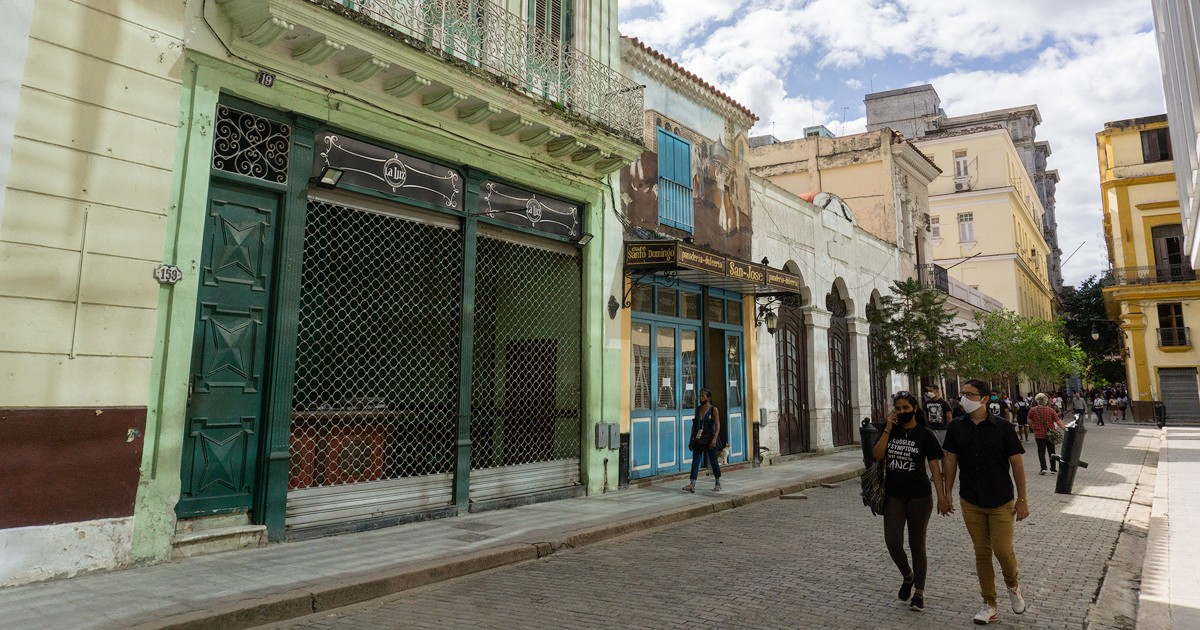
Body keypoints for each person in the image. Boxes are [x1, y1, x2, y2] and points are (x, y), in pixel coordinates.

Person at [939, 378, 1029, 625]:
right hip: (971, 499)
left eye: (970, 394)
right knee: (981, 552)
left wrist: (1022, 499)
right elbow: (950, 460)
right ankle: (989, 603)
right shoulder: (956, 427)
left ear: (985, 399)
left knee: (1002, 550)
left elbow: (1017, 465)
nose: (964, 398)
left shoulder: (1003, 427)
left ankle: (1012, 585)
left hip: (1001, 500)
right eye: (962, 394)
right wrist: (947, 493)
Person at [872, 391, 946, 613]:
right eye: (898, 409)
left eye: (906, 408)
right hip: (894, 495)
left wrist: (942, 496)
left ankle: (919, 593)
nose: (902, 412)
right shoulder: (891, 431)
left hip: (919, 496)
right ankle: (907, 576)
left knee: (917, 544)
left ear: (914, 408)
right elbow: (877, 455)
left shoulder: (925, 435)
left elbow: (934, 466)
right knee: (893, 542)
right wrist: (887, 427)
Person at [683, 388, 722, 493]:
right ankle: (692, 484)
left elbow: (718, 426)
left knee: (713, 461)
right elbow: (694, 425)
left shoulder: (714, 410)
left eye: (703, 396)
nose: (700, 398)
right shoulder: (698, 409)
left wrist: (714, 439)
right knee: (695, 461)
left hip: (709, 439)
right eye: (700, 396)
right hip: (698, 439)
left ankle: (717, 482)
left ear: (708, 398)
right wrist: (691, 439)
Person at [1028, 393, 1067, 475]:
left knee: (1041, 451)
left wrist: (1034, 428)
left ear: (1037, 401)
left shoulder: (1032, 410)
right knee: (1052, 451)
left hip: (1039, 434)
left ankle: (1043, 468)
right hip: (1050, 434)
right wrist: (1066, 429)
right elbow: (1058, 422)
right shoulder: (1051, 410)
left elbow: (1029, 421)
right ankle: (1053, 468)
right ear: (1046, 401)